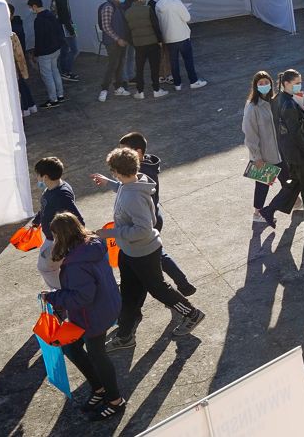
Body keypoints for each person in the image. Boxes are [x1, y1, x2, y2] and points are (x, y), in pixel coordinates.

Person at [95, 148, 204, 351]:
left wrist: (111, 233)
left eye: (112, 172)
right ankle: (126, 335)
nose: (113, 175)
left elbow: (143, 230)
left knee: (159, 289)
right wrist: (108, 183)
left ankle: (192, 313)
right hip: (129, 251)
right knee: (128, 292)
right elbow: (124, 188)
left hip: (143, 252)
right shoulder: (135, 183)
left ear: (117, 171)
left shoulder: (132, 197)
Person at [41, 213, 125, 422]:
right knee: (71, 347)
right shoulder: (91, 245)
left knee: (97, 355)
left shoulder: (76, 263)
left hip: (92, 316)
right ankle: (99, 387)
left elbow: (82, 297)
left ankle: (115, 400)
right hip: (104, 307)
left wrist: (53, 297)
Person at [259, 69, 304, 231]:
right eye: (296, 83)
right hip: (298, 154)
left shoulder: (278, 99)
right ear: (285, 84)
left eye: (300, 82)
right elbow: (297, 135)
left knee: (295, 183)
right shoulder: (289, 105)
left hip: (288, 152)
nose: (299, 86)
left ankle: (269, 210)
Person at [30, 157, 83, 289]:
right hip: (51, 237)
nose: (37, 178)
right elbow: (45, 207)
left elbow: (78, 219)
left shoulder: (62, 195)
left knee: (45, 268)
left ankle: (62, 292)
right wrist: (37, 221)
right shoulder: (51, 188)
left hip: (58, 240)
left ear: (45, 177)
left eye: (38, 175)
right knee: (52, 265)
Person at [242, 71, 281, 222]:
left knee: (288, 179)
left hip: (278, 150)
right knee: (263, 184)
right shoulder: (253, 107)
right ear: (255, 86)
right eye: (260, 84)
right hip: (265, 154)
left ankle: (295, 202)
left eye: (266, 82)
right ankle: (258, 213)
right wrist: (257, 157)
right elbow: (250, 134)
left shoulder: (273, 102)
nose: (264, 86)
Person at [155, 0, 208, 91]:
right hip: (181, 36)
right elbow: (187, 18)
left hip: (168, 37)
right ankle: (193, 81)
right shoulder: (177, 3)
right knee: (188, 60)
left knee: (173, 62)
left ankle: (177, 84)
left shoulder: (158, 4)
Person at [122, 0, 165, 100]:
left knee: (139, 69)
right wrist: (160, 40)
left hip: (139, 45)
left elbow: (127, 32)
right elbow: (156, 25)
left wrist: (134, 42)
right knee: (154, 68)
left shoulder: (127, 12)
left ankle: (140, 91)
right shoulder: (148, 9)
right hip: (152, 43)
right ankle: (156, 90)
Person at [27, 0, 66, 109]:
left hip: (45, 52)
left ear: (34, 6)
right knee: (55, 71)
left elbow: (39, 38)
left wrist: (36, 53)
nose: (30, 9)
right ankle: (60, 95)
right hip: (56, 49)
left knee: (47, 76)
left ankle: (53, 99)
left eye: (30, 7)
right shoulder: (51, 15)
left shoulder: (39, 20)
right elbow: (59, 31)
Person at [51, 0, 79, 82]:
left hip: (61, 27)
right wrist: (71, 30)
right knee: (74, 50)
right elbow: (64, 16)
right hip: (65, 27)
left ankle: (63, 71)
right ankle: (66, 71)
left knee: (64, 50)